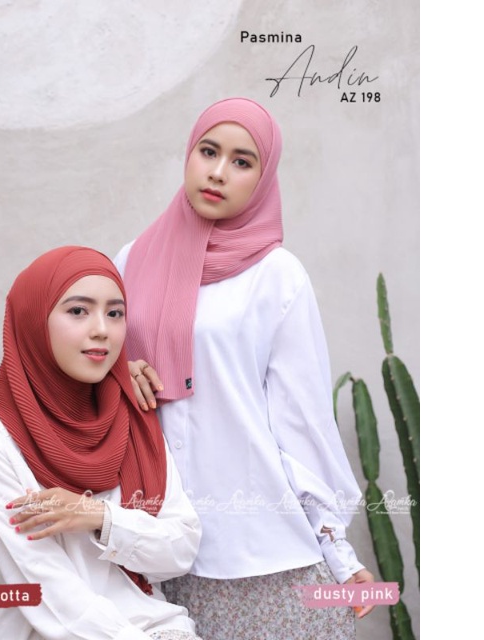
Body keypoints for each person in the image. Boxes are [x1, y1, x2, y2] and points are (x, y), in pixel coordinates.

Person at [114, 97, 375, 640]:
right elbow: (84, 372)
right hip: (156, 544)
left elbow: (300, 419)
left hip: (258, 546)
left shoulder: (277, 276)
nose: (217, 172)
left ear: (263, 176)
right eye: (208, 151)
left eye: (242, 161)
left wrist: (337, 550)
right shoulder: (130, 261)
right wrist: (119, 373)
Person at [0, 246, 203, 640]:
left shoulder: (133, 412)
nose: (102, 330)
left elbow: (180, 550)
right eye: (78, 311)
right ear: (34, 320)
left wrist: (98, 516)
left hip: (154, 624)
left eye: (115, 313)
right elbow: (47, 591)